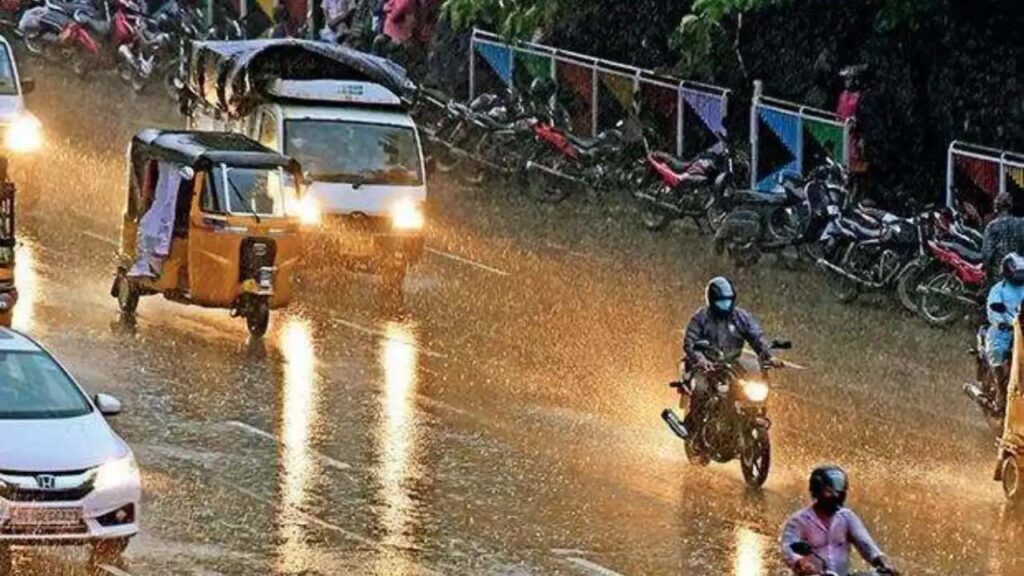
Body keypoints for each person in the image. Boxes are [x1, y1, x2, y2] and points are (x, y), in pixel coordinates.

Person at [679, 277, 780, 435]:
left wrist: (769, 356)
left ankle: (745, 418)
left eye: (728, 301)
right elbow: (690, 343)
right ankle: (692, 427)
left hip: (731, 365)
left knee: (747, 388)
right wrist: (701, 360)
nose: (725, 305)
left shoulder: (741, 317)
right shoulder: (701, 318)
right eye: (721, 302)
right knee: (701, 388)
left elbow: (757, 337)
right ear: (711, 300)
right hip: (705, 366)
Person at [780, 466, 899, 576]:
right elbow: (788, 548)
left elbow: (866, 545)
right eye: (828, 492)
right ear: (816, 491)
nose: (835, 496)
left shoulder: (847, 517)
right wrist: (800, 562)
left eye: (839, 492)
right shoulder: (799, 520)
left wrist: (883, 563)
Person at [984, 253, 1024, 409]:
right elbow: (993, 309)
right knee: (997, 352)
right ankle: (1000, 389)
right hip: (1003, 332)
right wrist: (1001, 322)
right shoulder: (998, 289)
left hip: (1021, 331)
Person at [982, 193, 1024, 282]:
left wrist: (988, 271)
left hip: (999, 274)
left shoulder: (992, 226)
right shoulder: (1020, 224)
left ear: (996, 208)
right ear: (1011, 206)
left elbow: (987, 253)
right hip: (1019, 271)